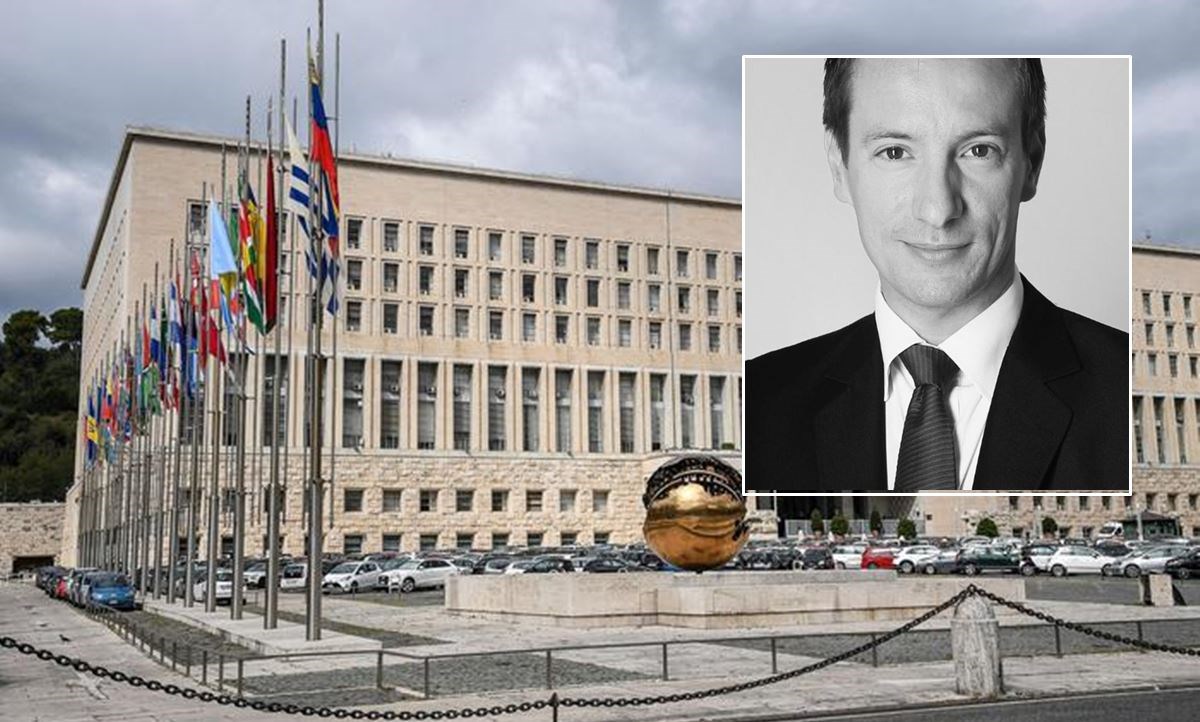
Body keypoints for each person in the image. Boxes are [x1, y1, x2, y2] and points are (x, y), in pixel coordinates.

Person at [747, 58, 1128, 492]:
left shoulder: (1125, 391)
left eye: (978, 150)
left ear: (1032, 162)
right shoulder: (760, 401)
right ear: (839, 166)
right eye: (895, 152)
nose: (938, 209)